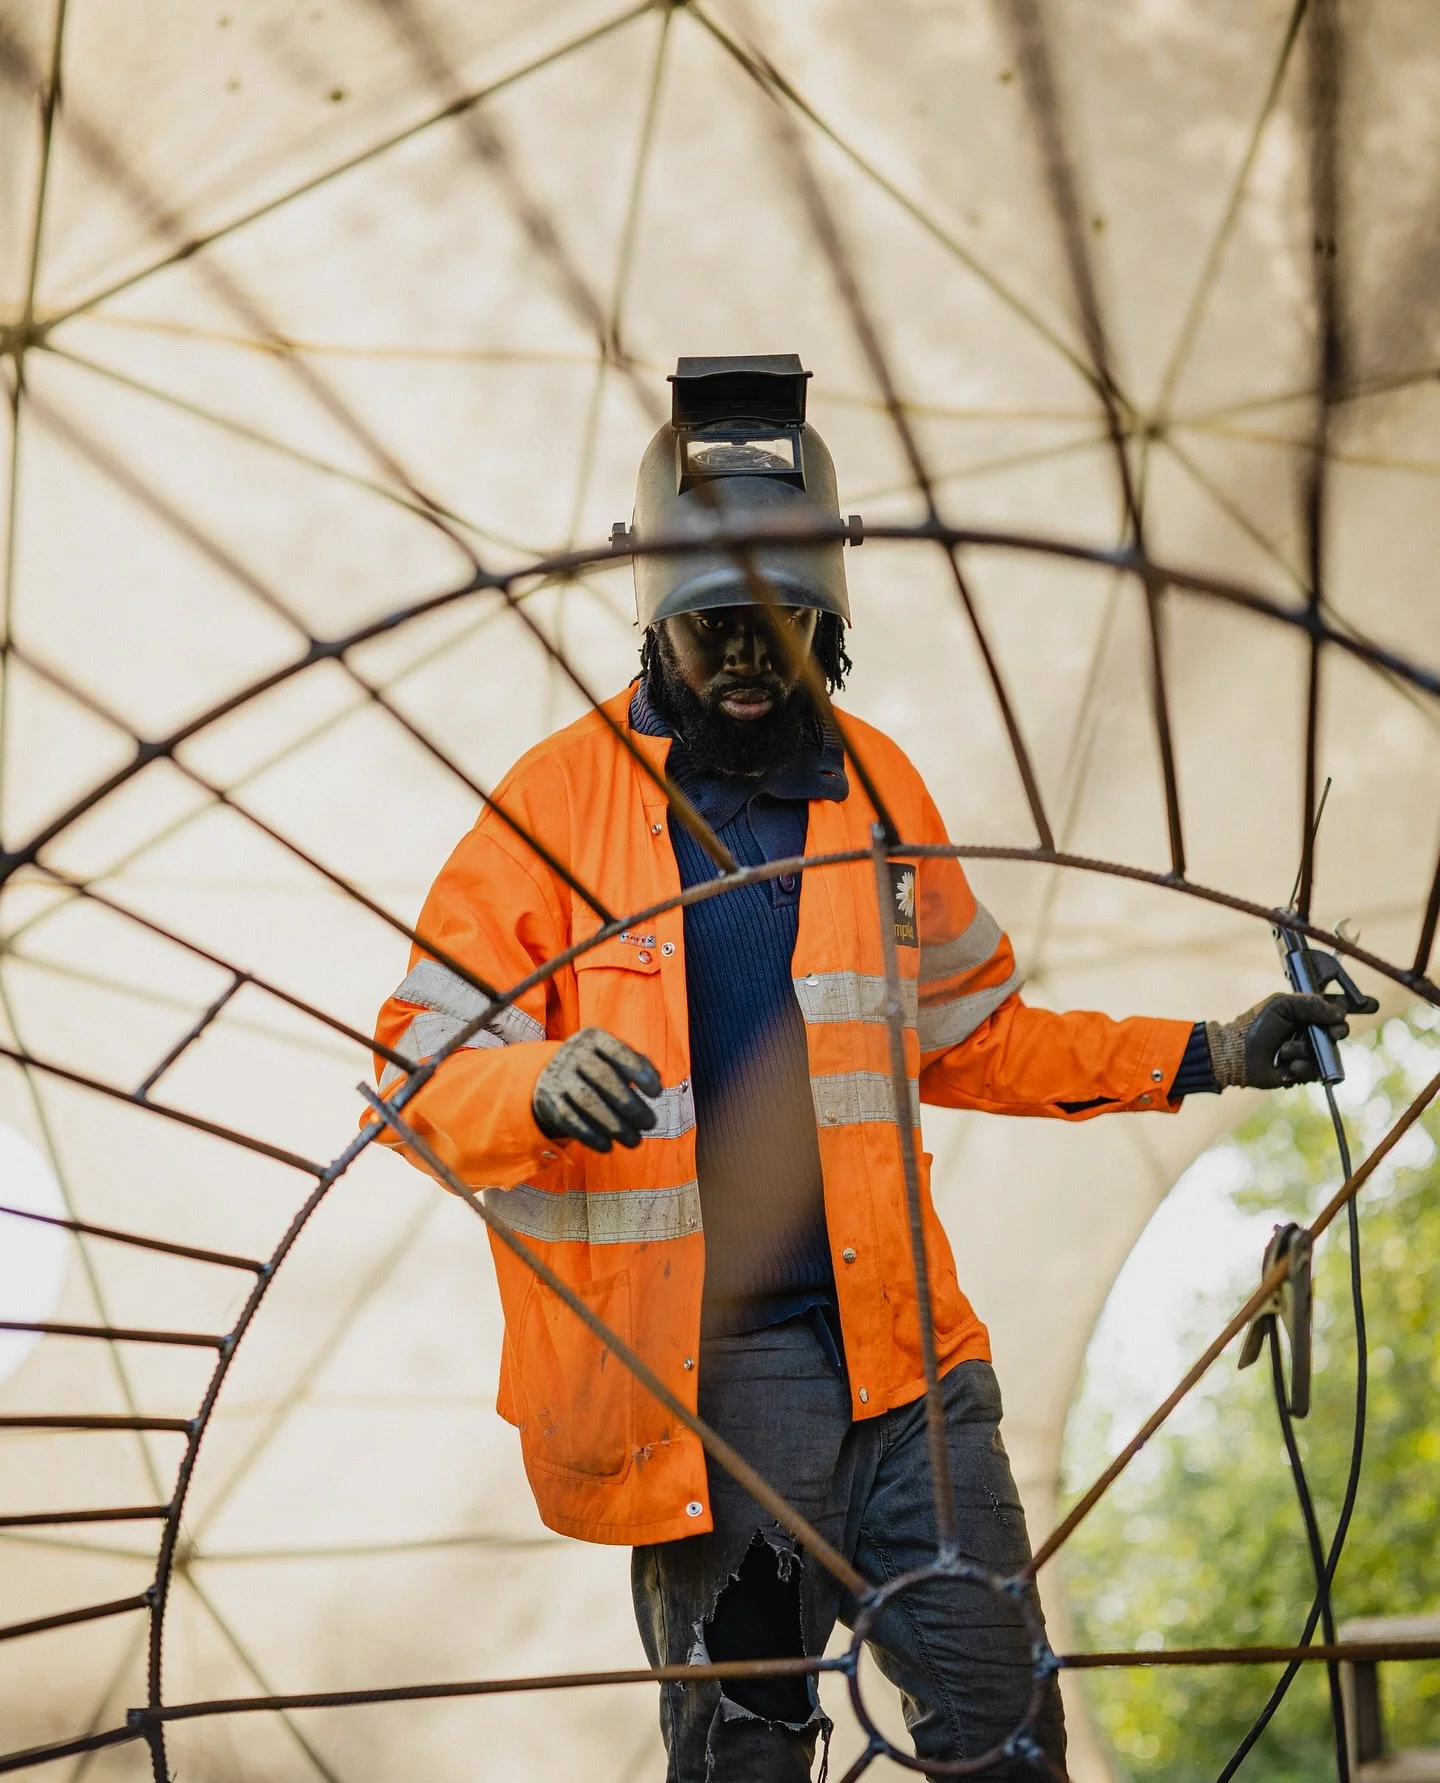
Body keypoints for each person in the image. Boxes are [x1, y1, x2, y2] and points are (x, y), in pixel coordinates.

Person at [371, 356, 1366, 1781]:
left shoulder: (880, 787)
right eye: (712, 620)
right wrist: (525, 1081)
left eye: (778, 620)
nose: (743, 654)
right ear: (653, 611)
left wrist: (1207, 1053)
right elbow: (414, 1062)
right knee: (752, 1759)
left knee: (1006, 1737)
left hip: (910, 1372)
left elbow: (974, 1033)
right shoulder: (553, 805)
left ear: (827, 615)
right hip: (719, 1406)